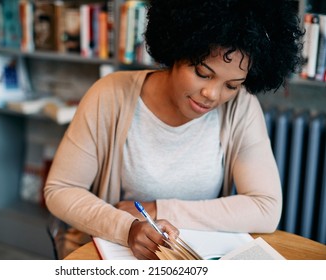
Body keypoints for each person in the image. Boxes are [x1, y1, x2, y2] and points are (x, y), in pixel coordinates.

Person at [44, 0, 304, 259]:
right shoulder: (110, 95)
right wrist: (126, 228)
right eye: (203, 73)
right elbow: (61, 190)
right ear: (177, 50)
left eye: (232, 85)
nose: (212, 95)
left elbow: (266, 207)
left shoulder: (241, 107)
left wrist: (159, 209)